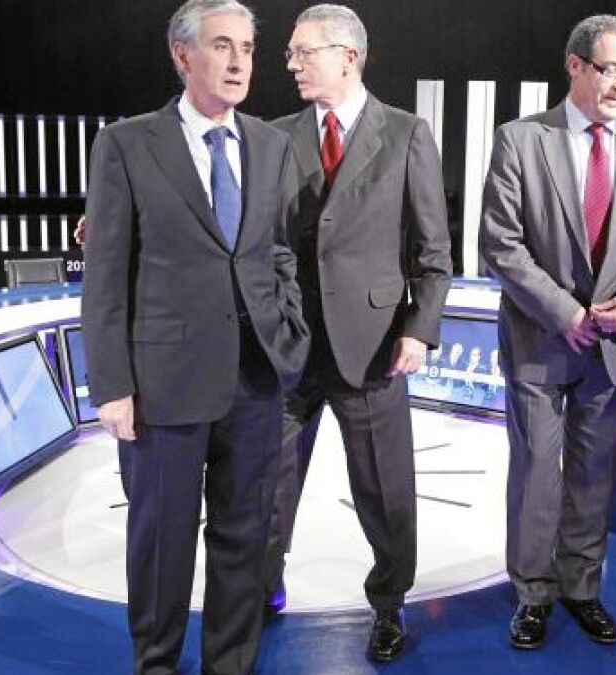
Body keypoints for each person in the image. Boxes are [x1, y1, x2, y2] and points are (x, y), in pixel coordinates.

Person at [80, 1, 309, 672]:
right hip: (163, 385)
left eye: (247, 48)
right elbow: (105, 274)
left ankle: (229, 662)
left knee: (246, 537)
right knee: (162, 541)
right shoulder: (126, 144)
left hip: (257, 377)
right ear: (183, 55)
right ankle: (155, 661)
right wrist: (112, 385)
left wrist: (288, 329)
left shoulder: (270, 144)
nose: (238, 62)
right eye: (221, 45)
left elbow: (275, 249)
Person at [478, 14, 616, 650]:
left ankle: (582, 589)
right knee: (537, 471)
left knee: (595, 474)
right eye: (609, 69)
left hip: (611, 343)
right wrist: (564, 312)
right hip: (541, 338)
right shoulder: (519, 139)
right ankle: (533, 594)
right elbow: (500, 244)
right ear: (575, 65)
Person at [264, 3, 452, 662]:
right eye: (290, 52)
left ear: (348, 56)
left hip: (373, 347)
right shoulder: (274, 137)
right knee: (266, 485)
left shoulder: (405, 134)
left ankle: (389, 604)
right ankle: (260, 589)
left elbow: (433, 251)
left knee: (385, 489)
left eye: (303, 51)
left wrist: (419, 330)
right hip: (289, 348)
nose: (290, 63)